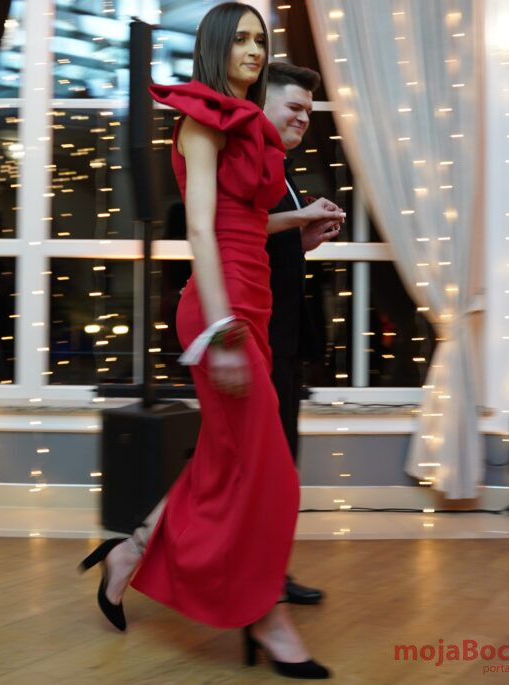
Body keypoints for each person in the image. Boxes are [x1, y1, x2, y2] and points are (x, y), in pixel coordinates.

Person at [79, 4, 329, 678]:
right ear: (216, 46)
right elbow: (199, 231)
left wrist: (298, 226)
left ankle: (129, 552)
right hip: (221, 312)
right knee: (272, 475)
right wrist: (221, 331)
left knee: (222, 459)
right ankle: (267, 614)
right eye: (241, 39)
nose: (254, 49)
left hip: (252, 303)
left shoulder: (251, 126)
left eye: (260, 40)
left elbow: (243, 220)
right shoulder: (201, 121)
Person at [262, 61, 344, 605]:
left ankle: (269, 572)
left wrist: (305, 237)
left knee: (280, 465)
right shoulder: (252, 163)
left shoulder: (281, 169)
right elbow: (231, 229)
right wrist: (300, 217)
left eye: (308, 111)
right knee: (262, 466)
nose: (303, 119)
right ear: (261, 105)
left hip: (285, 339)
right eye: (294, 106)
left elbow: (267, 243)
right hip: (260, 337)